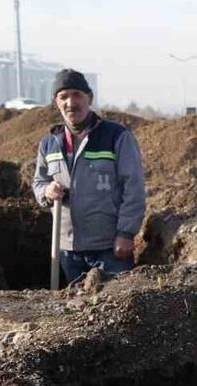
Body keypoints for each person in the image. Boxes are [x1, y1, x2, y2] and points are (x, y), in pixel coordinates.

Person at [32, 69, 146, 284]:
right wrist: (46, 191)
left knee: (113, 309)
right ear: (56, 102)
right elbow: (39, 182)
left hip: (109, 249)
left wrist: (126, 233)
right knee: (73, 312)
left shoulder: (116, 136)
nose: (70, 103)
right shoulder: (49, 143)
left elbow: (133, 187)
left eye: (77, 95)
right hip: (67, 250)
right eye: (63, 96)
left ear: (89, 98)